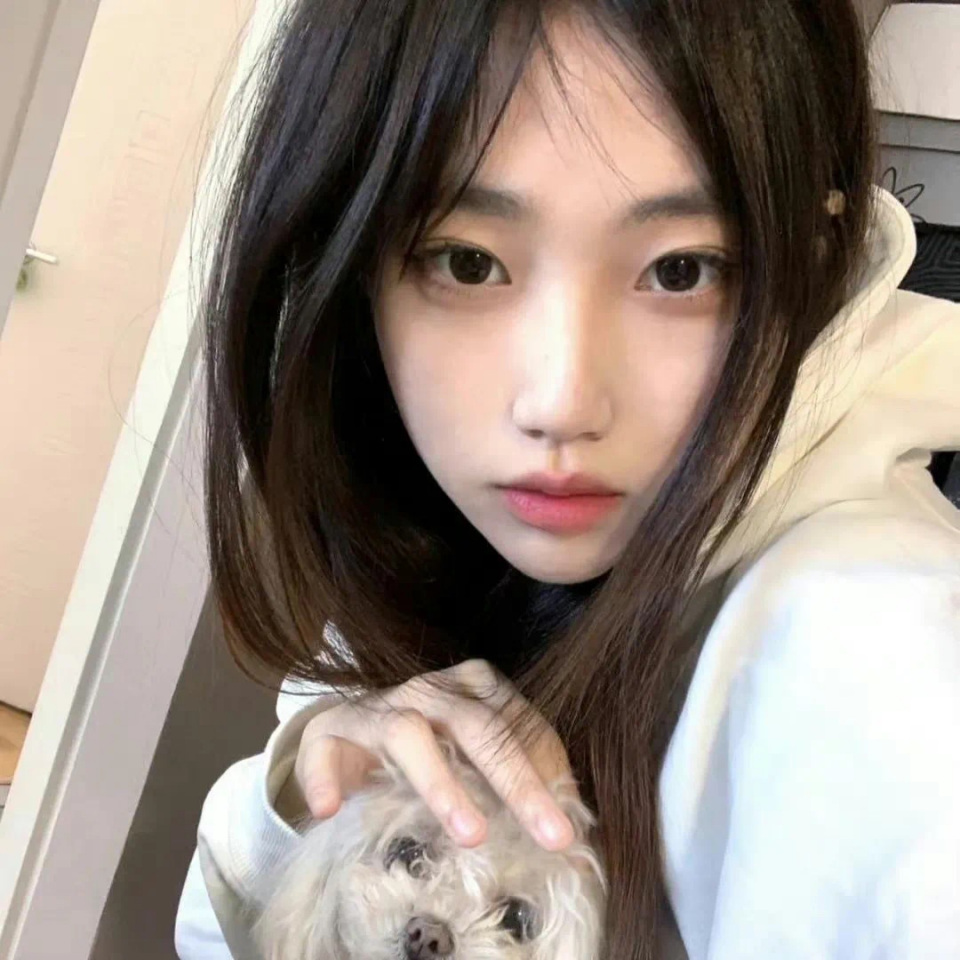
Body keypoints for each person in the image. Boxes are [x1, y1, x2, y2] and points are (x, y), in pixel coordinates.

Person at [174, 0, 960, 957]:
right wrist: (306, 803)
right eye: (468, 262)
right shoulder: (435, 529)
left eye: (682, 270)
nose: (561, 403)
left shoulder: (883, 657)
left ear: (811, 262)